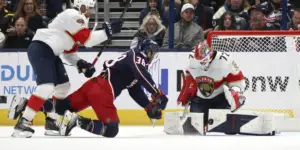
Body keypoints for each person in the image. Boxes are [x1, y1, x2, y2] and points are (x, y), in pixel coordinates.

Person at [9, 39, 168, 138]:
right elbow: (142, 75)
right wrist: (157, 93)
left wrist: (147, 105)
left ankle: (24, 104)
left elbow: (134, 88)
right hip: (103, 92)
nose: (153, 56)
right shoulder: (136, 55)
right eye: (152, 53)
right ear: (147, 51)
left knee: (63, 106)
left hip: (93, 85)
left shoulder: (133, 58)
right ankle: (77, 121)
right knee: (112, 130)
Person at [9, 0, 123, 138]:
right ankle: (23, 124)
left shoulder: (78, 21)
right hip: (42, 48)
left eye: (92, 9)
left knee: (63, 86)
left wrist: (80, 63)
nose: (90, 12)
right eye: (89, 8)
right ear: (81, 6)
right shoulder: (73, 15)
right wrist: (107, 31)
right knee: (46, 87)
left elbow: (69, 53)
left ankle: (52, 122)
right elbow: (89, 41)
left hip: (51, 51)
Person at [177, 41, 246, 134]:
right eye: (198, 61)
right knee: (192, 131)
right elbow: (188, 76)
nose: (200, 64)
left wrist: (236, 92)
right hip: (200, 98)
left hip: (221, 98)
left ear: (209, 55)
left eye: (203, 61)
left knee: (229, 129)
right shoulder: (191, 58)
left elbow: (238, 80)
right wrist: (187, 89)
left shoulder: (225, 60)